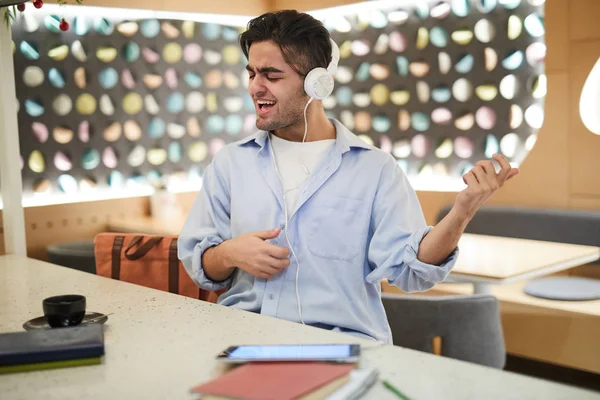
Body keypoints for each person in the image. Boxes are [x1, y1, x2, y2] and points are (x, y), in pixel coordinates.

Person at [178, 10, 519, 343]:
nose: (255, 87)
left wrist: (462, 212)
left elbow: (413, 272)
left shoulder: (376, 170)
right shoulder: (230, 164)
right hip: (243, 340)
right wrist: (229, 254)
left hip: (343, 347)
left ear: (317, 83)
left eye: (272, 75)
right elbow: (199, 263)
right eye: (251, 73)